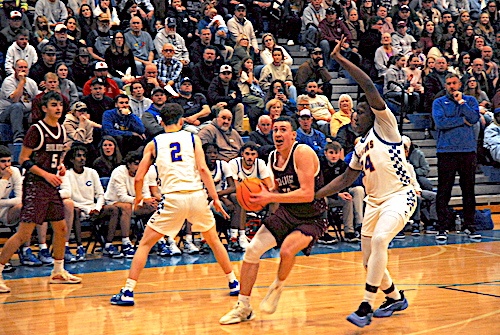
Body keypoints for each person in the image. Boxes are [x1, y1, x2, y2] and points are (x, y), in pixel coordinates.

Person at [315, 37, 417, 328]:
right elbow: (347, 178)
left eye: (359, 112)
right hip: (374, 202)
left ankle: (365, 306)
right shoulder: (360, 146)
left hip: (400, 196)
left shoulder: (386, 126)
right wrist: (316, 195)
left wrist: (341, 59)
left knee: (382, 240)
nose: (355, 116)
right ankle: (395, 297)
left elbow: (369, 87)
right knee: (368, 260)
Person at [110, 103, 240, 306]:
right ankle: (233, 282)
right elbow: (204, 170)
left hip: (172, 198)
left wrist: (137, 200)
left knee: (144, 244)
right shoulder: (192, 138)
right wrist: (214, 198)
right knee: (214, 240)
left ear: (161, 122)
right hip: (197, 196)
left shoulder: (154, 143)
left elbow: (139, 177)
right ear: (181, 121)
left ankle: (128, 291)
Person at [219, 115, 328, 324]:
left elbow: (307, 193)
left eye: (283, 130)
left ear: (293, 135)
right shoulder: (271, 157)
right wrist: (259, 194)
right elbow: (277, 189)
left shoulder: (302, 153)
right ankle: (243, 307)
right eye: (275, 130)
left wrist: (271, 196)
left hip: (312, 216)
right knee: (251, 251)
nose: (278, 133)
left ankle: (277, 286)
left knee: (287, 250)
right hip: (287, 212)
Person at [0, 92, 82, 294]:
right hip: (36, 184)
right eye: (54, 105)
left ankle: (58, 271)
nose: (58, 108)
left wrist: (60, 166)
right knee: (24, 233)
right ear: (44, 108)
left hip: (50, 184)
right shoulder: (36, 130)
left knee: (61, 228)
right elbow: (24, 159)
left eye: (60, 105)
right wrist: (46, 174)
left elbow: (55, 155)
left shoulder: (61, 130)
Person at [432, 73, 481, 241]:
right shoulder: (439, 102)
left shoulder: (470, 101)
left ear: (460, 84)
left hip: (467, 151)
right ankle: (442, 227)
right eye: (448, 83)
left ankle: (470, 226)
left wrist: (462, 103)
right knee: (444, 190)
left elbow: (474, 118)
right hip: (446, 151)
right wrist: (462, 120)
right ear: (445, 85)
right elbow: (440, 123)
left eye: (454, 83)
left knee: (469, 189)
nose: (451, 86)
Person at [64, 145, 123, 259]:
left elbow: (100, 194)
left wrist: (97, 207)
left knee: (113, 209)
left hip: (93, 208)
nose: (82, 159)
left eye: (84, 156)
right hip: (78, 208)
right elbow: (69, 198)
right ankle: (79, 246)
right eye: (78, 156)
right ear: (71, 159)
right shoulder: (67, 174)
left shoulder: (92, 172)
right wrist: (87, 210)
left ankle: (108, 244)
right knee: (74, 211)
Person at [227, 142, 273, 251]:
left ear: (256, 155)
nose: (250, 157)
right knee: (239, 197)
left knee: (274, 198)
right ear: (242, 154)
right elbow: (234, 187)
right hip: (233, 196)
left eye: (253, 154)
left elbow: (269, 185)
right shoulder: (234, 164)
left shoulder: (260, 164)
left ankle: (271, 232)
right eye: (247, 154)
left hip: (255, 197)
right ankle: (241, 236)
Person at [0, 59, 39, 143]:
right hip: (6, 114)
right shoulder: (8, 81)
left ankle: (36, 137)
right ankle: (18, 137)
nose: (23, 69)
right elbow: (15, 99)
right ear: (14, 69)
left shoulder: (31, 82)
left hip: (25, 113)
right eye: (20, 67)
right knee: (17, 106)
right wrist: (21, 82)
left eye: (25, 67)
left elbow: (37, 100)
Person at [0, 145, 22, 273]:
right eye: (3, 161)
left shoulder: (15, 171)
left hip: (5, 211)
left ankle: (26, 250)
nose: (7, 165)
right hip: (5, 208)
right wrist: (4, 179)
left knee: (24, 208)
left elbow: (20, 199)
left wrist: (2, 203)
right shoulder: (7, 176)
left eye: (9, 161)